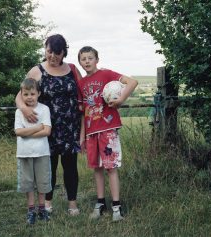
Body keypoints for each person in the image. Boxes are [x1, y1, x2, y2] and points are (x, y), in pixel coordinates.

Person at [15, 34, 83, 216]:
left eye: (57, 53)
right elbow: (20, 95)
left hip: (70, 127)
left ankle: (72, 204)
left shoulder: (73, 70)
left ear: (64, 53)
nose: (52, 56)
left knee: (70, 166)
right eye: (49, 51)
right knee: (49, 167)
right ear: (45, 49)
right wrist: (25, 109)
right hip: (47, 128)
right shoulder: (37, 71)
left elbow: (82, 95)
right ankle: (47, 203)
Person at [77, 46, 138, 221]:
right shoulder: (81, 84)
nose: (87, 61)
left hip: (107, 130)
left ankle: (116, 207)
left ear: (97, 59)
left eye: (90, 58)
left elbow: (132, 82)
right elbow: (84, 111)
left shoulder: (106, 74)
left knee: (110, 167)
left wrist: (121, 99)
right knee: (97, 168)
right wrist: (82, 136)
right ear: (80, 62)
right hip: (91, 132)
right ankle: (100, 203)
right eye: (83, 59)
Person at [14, 78, 52, 225]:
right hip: (24, 153)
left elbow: (47, 131)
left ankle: (42, 209)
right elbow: (18, 132)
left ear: (38, 94)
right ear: (21, 95)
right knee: (28, 183)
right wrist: (37, 128)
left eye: (32, 93)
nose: (29, 97)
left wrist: (26, 133)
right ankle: (31, 210)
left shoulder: (44, 109)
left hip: (42, 152)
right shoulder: (19, 112)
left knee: (42, 182)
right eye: (26, 94)